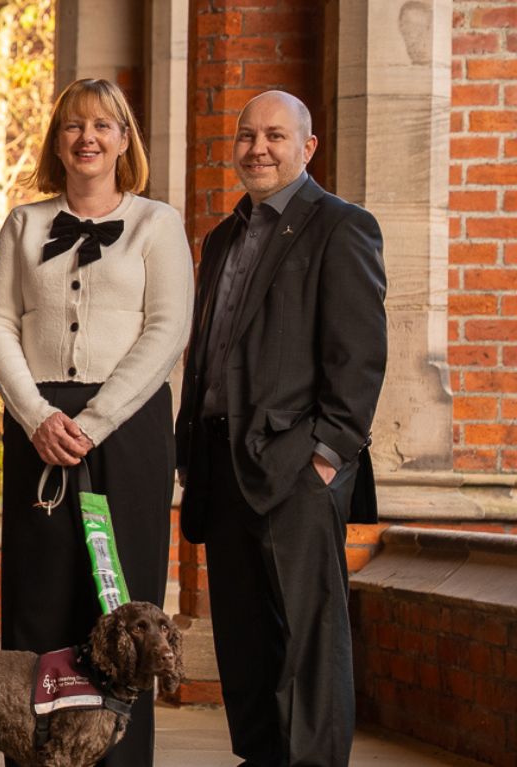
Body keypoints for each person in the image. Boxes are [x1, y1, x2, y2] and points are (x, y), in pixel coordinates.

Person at [0, 78, 192, 767]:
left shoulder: (158, 224)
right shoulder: (24, 223)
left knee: (123, 606)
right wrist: (37, 414)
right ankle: (34, 750)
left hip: (128, 432)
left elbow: (167, 331)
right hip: (38, 429)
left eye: (103, 125)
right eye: (73, 125)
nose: (87, 138)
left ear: (125, 139)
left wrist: (94, 422)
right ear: (57, 140)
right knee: (40, 599)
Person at [176, 90, 386, 767]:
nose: (257, 148)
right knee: (245, 637)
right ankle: (262, 758)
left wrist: (326, 455)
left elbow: (358, 358)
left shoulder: (341, 227)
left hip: (296, 466)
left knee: (308, 639)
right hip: (223, 463)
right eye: (247, 136)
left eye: (274, 135)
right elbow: (208, 351)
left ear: (307, 147)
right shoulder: (223, 237)